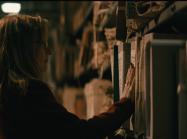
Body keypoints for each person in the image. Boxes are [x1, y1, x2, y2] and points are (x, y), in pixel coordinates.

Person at [0, 14, 135, 139]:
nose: (49, 51)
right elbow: (79, 133)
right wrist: (124, 105)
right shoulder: (29, 92)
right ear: (25, 49)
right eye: (43, 44)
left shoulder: (7, 92)